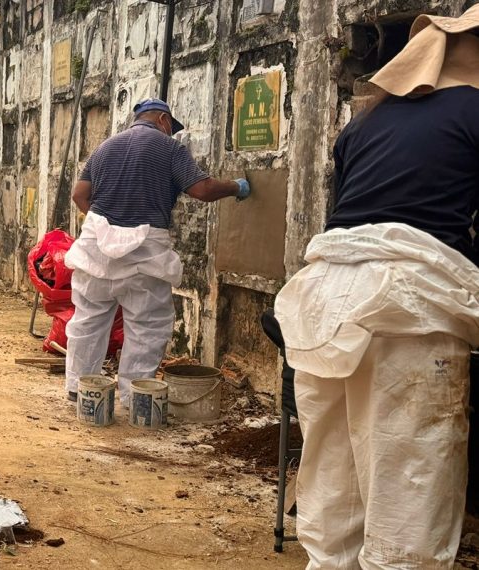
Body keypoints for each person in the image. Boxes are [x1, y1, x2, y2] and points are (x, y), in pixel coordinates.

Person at [274, 7, 479, 567]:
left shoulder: (367, 121)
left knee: (334, 488)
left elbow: (356, 211)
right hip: (406, 308)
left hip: (326, 301)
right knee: (410, 492)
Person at [64, 99, 250, 405]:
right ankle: (134, 398)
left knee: (88, 321)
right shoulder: (169, 148)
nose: (171, 134)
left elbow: (79, 194)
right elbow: (202, 190)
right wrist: (235, 187)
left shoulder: (104, 147)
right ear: (163, 120)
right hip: (145, 251)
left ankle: (79, 388)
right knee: (146, 326)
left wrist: (104, 226)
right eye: (170, 128)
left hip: (94, 249)